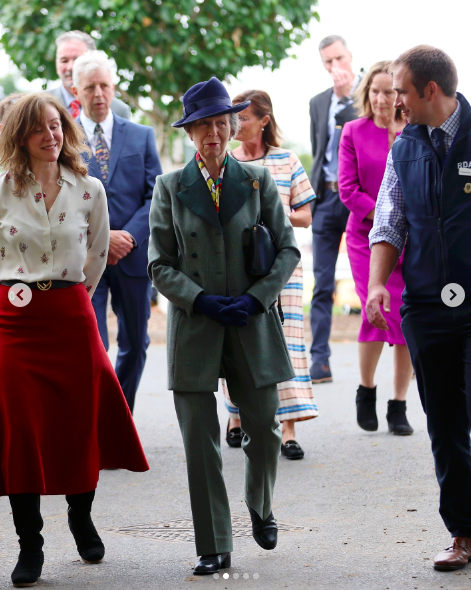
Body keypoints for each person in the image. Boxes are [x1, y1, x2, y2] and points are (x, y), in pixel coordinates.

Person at [148, 77, 300, 575]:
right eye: (202, 125)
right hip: (196, 327)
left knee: (264, 427)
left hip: (251, 322)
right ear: (190, 133)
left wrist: (257, 299)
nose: (212, 133)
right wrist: (202, 301)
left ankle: (261, 505)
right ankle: (213, 542)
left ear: (232, 128)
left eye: (220, 123)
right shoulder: (170, 186)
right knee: (199, 440)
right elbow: (159, 264)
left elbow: (286, 248)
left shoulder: (257, 181)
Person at [0, 93, 149, 588]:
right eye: (40, 128)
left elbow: (99, 255)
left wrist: (64, 297)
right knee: (22, 428)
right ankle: (30, 542)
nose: (52, 134)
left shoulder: (89, 189)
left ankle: (80, 516)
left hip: (71, 315)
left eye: (57, 125)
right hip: (13, 323)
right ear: (19, 136)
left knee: (78, 422)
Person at [367, 45, 471, 571]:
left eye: (402, 92)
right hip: (427, 306)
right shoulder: (403, 146)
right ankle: (463, 534)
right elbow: (389, 218)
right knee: (445, 423)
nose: (394, 103)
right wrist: (378, 284)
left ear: (430, 91)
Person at [223, 89, 318, 459]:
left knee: (287, 344)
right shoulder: (226, 161)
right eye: (235, 118)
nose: (236, 125)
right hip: (239, 268)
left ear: (264, 121)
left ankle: (289, 430)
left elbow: (306, 217)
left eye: (243, 118)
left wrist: (273, 209)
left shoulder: (286, 159)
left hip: (283, 267)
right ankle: (236, 417)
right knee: (239, 343)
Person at [71, 50, 162, 414]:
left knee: (136, 342)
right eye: (90, 87)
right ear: (76, 92)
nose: (98, 94)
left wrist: (130, 236)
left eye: (105, 85)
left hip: (133, 254)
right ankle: (93, 418)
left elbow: (156, 193)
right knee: (92, 344)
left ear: (114, 88)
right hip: (84, 257)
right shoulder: (62, 138)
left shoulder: (141, 136)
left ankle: (118, 416)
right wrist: (103, 238)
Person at [338, 61, 413, 435]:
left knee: (406, 318)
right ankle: (366, 391)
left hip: (411, 241)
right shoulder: (353, 131)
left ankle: (399, 404)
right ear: (366, 94)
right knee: (375, 310)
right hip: (366, 239)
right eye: (375, 91)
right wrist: (386, 217)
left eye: (389, 91)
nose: (382, 99)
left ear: (399, 94)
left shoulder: (413, 132)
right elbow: (348, 190)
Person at [309, 35, 360, 383]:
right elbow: (319, 149)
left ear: (351, 56)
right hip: (326, 198)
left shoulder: (371, 93)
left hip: (359, 197)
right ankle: (319, 359)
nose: (334, 67)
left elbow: (367, 133)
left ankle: (407, 348)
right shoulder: (317, 102)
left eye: (339, 58)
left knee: (378, 277)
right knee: (323, 281)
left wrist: (347, 102)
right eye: (327, 62)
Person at [49, 30, 130, 119]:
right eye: (64, 61)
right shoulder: (40, 105)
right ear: (57, 65)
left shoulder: (119, 110)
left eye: (77, 60)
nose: (70, 67)